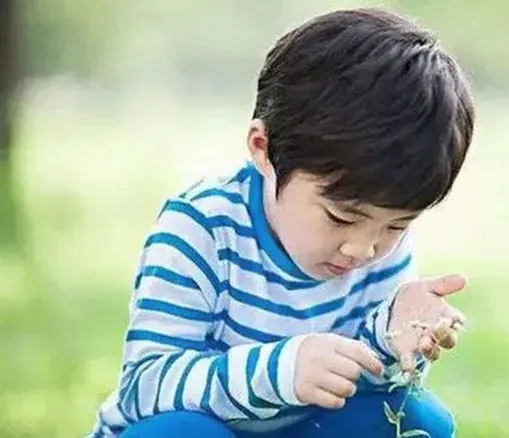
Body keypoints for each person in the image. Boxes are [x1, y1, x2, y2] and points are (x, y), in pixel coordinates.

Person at [89, 7, 475, 438]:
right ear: (263, 148)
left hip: (298, 428)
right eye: (341, 216)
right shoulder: (202, 228)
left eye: (396, 226)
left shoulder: (381, 246)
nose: (363, 249)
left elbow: (363, 390)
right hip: (191, 428)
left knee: (418, 418)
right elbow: (143, 388)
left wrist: (391, 337)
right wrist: (280, 371)